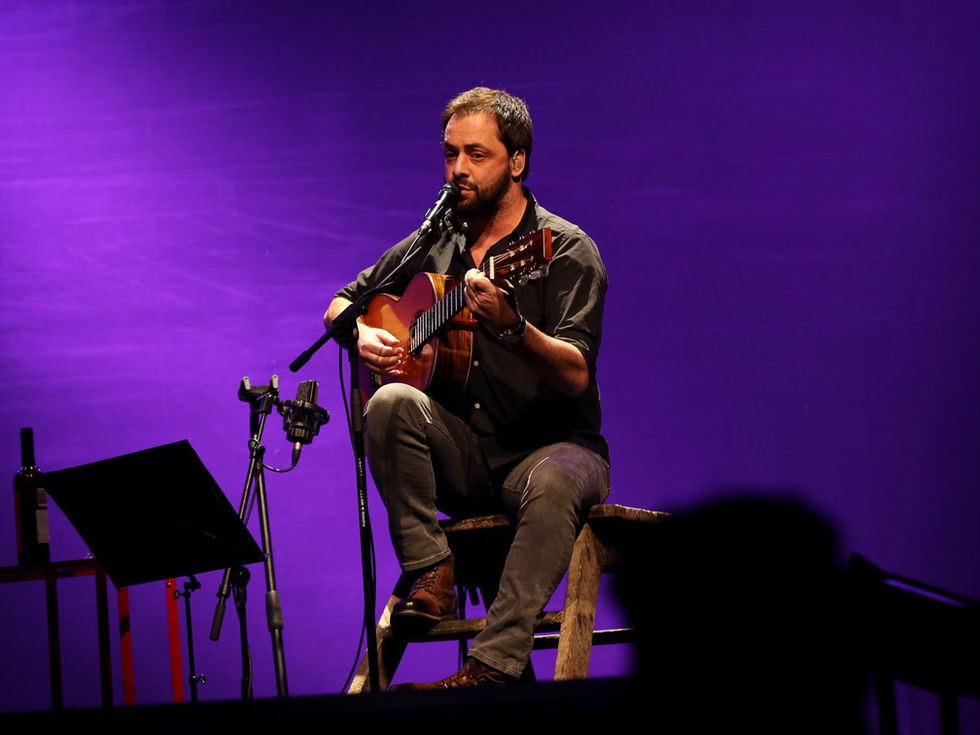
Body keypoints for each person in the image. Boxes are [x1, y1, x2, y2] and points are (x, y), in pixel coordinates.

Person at [324, 87, 609, 689]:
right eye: (450, 154)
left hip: (553, 450)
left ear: (517, 161)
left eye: (476, 154)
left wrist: (513, 328)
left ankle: (494, 665)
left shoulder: (560, 249)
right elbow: (342, 303)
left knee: (555, 479)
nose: (458, 169)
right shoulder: (437, 242)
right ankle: (431, 570)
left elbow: (576, 370)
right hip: (471, 459)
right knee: (391, 399)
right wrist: (362, 339)